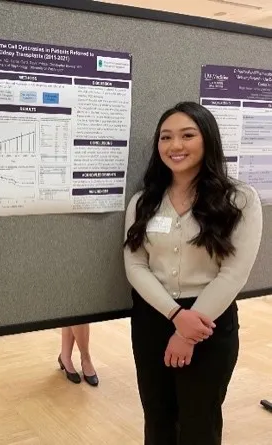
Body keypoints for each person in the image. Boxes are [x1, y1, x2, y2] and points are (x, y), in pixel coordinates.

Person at [123, 101, 262, 445]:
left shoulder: (239, 199)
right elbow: (135, 264)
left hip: (208, 323)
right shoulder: (145, 201)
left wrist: (187, 331)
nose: (175, 146)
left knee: (200, 422)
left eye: (187, 135)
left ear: (208, 140)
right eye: (166, 137)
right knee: (158, 419)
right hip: (153, 319)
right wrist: (173, 315)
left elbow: (234, 272)